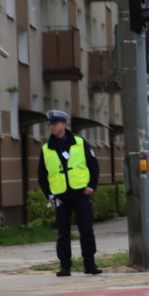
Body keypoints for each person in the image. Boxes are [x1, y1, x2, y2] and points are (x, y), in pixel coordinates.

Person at [37, 109, 102, 277]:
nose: (52, 127)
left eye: (55, 123)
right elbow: (42, 175)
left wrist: (91, 186)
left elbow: (94, 166)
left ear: (64, 125)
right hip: (61, 196)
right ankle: (65, 266)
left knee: (86, 229)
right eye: (50, 124)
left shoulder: (80, 143)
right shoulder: (46, 149)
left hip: (81, 194)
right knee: (63, 232)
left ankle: (90, 264)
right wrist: (49, 195)